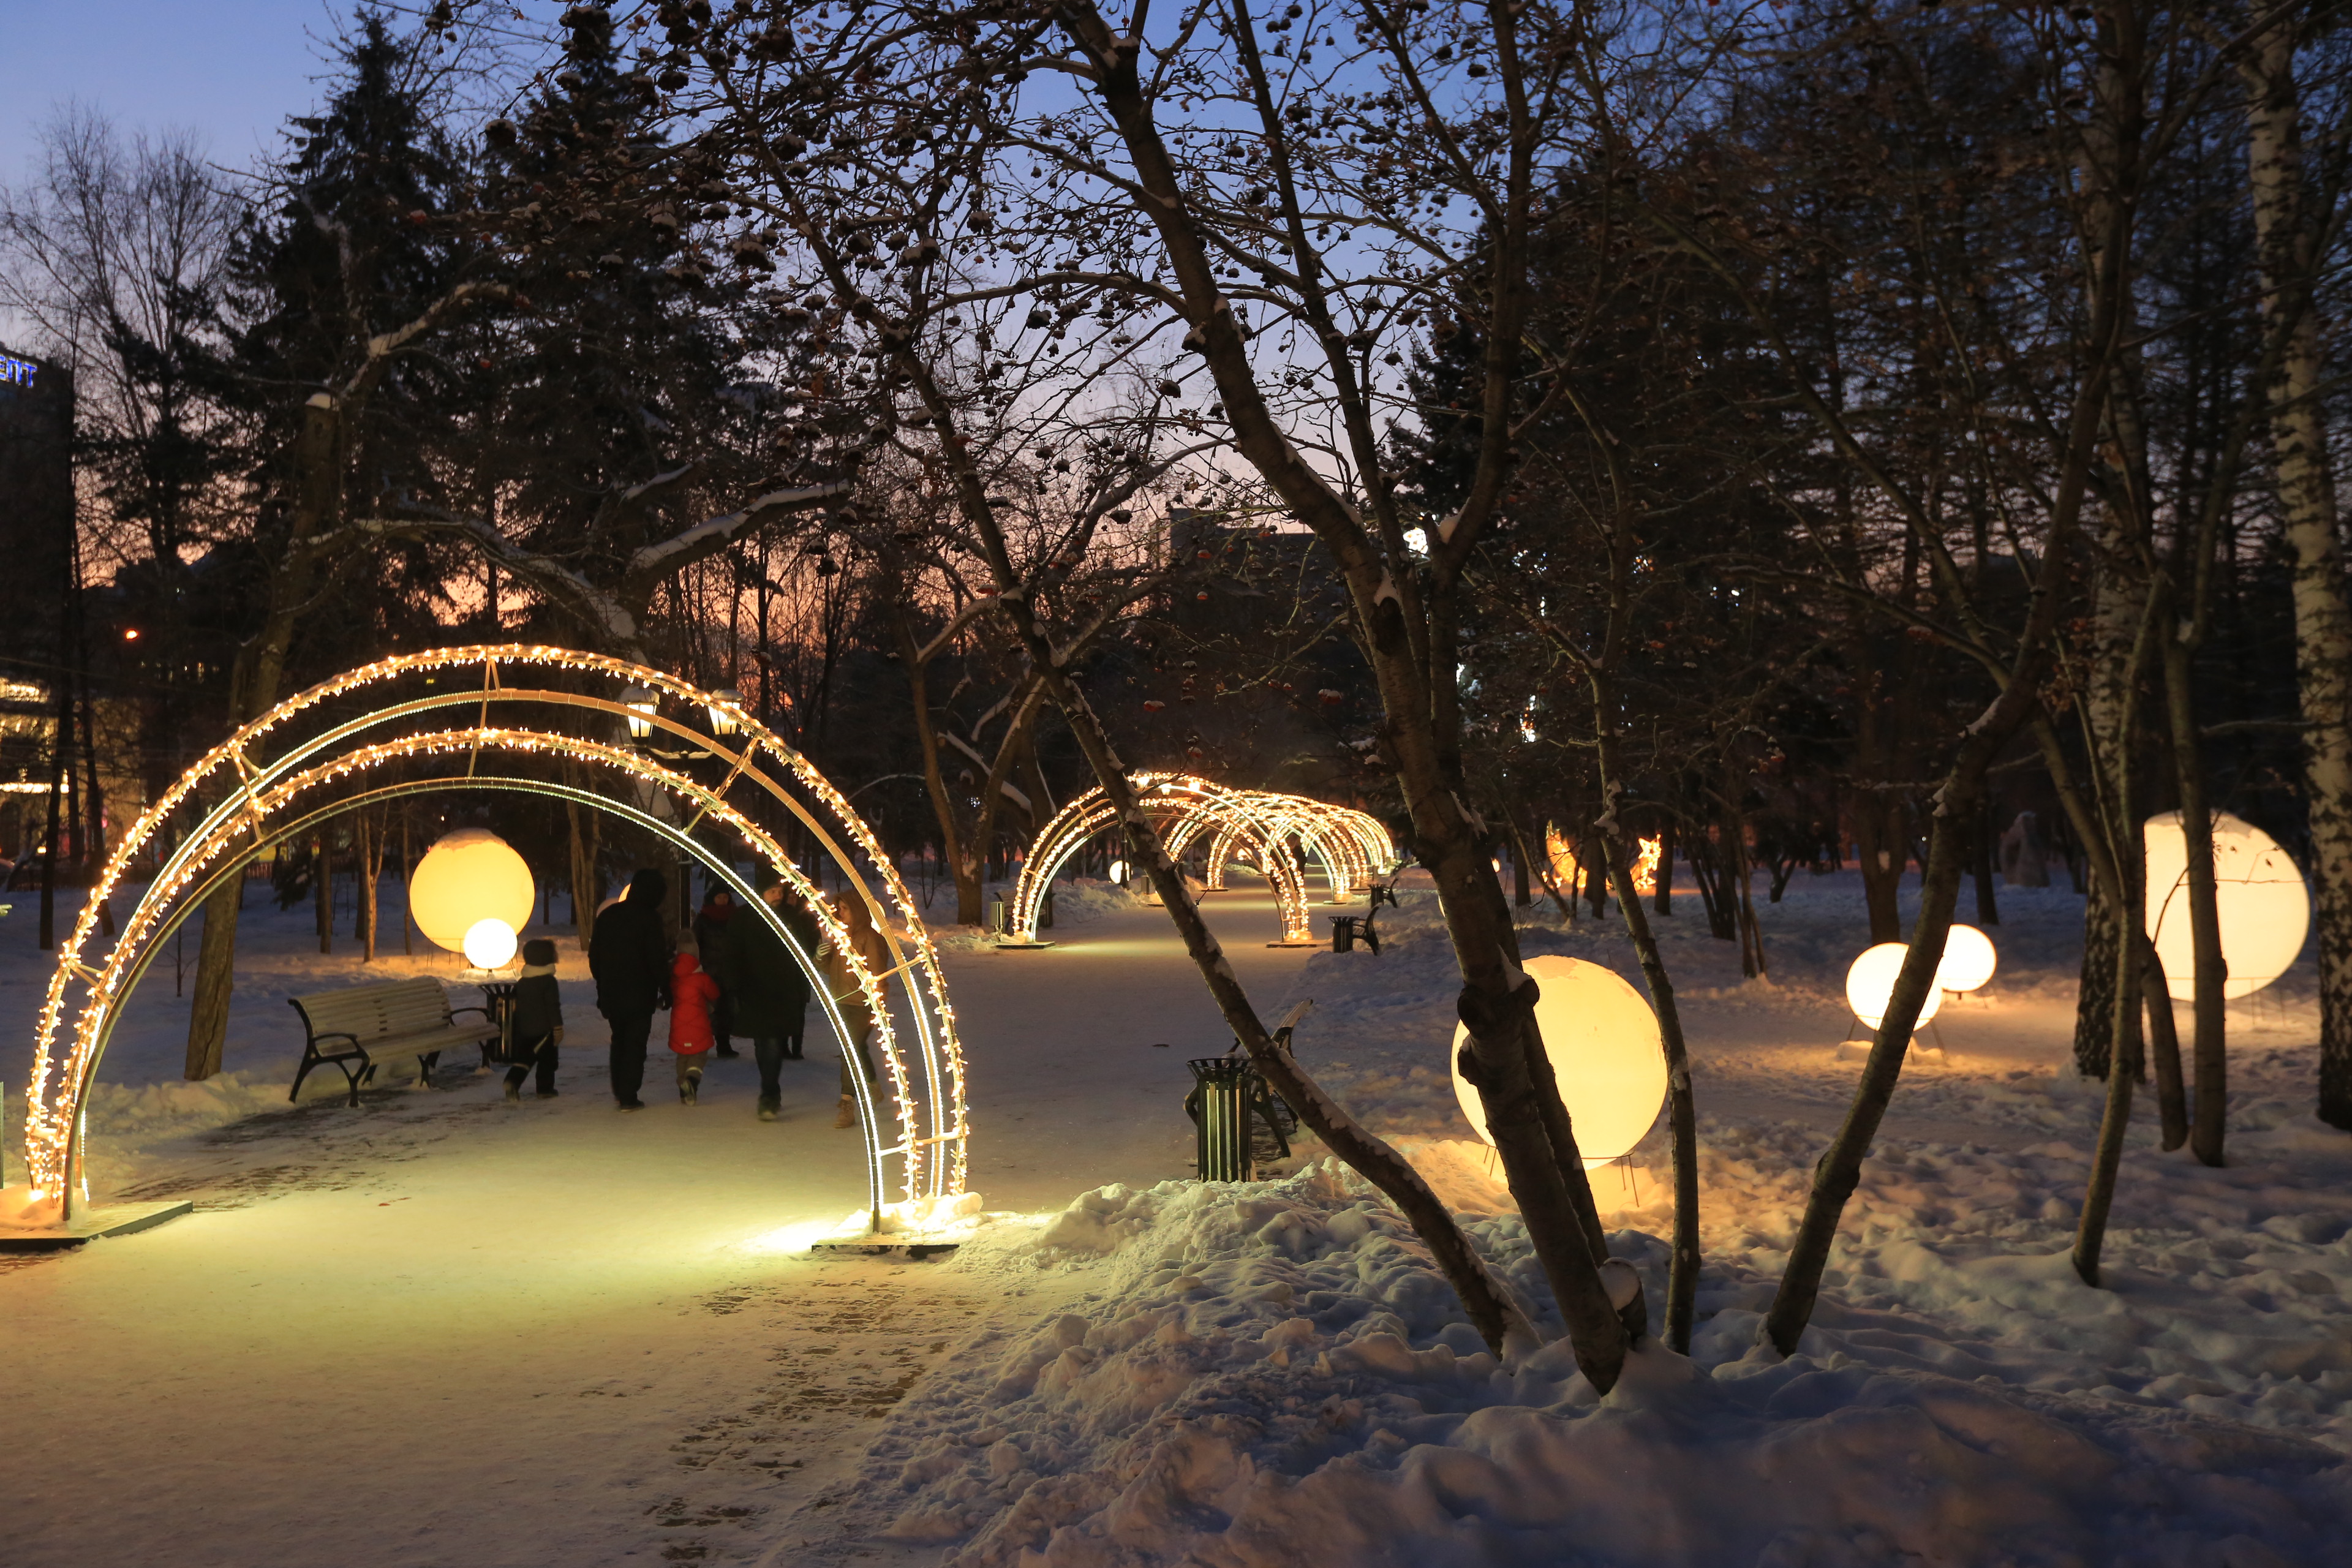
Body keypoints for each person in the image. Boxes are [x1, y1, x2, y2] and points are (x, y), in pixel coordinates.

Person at [722, 880, 818, 1121]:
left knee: (774, 1041)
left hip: (782, 992)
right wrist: (733, 988)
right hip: (753, 990)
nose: (778, 895)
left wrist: (801, 985)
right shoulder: (744, 917)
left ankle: (770, 1093)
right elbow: (732, 953)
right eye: (772, 891)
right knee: (761, 1042)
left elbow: (802, 952)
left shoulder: (790, 918)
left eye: (780, 892)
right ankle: (769, 1088)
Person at [589, 867, 673, 1110]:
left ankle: (620, 1089)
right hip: (640, 992)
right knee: (636, 1043)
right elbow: (656, 959)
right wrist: (666, 989)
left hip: (613, 991)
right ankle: (629, 1093)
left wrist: (602, 984)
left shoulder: (609, 915)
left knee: (619, 1040)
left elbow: (595, 956)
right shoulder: (649, 919)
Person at [820, 889, 891, 1131]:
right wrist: (822, 958)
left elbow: (878, 971)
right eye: (838, 909)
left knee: (849, 1051)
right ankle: (872, 1086)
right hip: (841, 1000)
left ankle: (847, 1103)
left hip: (862, 1004)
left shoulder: (869, 937)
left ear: (857, 909)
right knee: (855, 1048)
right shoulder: (841, 936)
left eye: (845, 908)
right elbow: (832, 970)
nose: (840, 913)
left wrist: (876, 1001)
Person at [503, 937, 564, 1102]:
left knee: (525, 1059)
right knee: (547, 1061)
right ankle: (545, 1090)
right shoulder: (549, 981)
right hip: (545, 1030)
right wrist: (557, 1027)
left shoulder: (523, 982)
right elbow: (553, 1006)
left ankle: (512, 1081)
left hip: (524, 1029)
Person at [666, 941, 721, 1105]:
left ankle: (684, 1092)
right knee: (698, 1057)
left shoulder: (674, 979)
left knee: (682, 1056)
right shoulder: (702, 978)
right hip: (699, 1027)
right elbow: (714, 994)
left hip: (679, 1027)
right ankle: (691, 1080)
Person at [693, 887, 740, 1058]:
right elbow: (695, 943)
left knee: (727, 1010)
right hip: (709, 971)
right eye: (719, 897)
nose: (722, 900)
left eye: (725, 897)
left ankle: (724, 1045)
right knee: (710, 1010)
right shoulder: (703, 919)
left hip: (729, 971)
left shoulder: (734, 918)